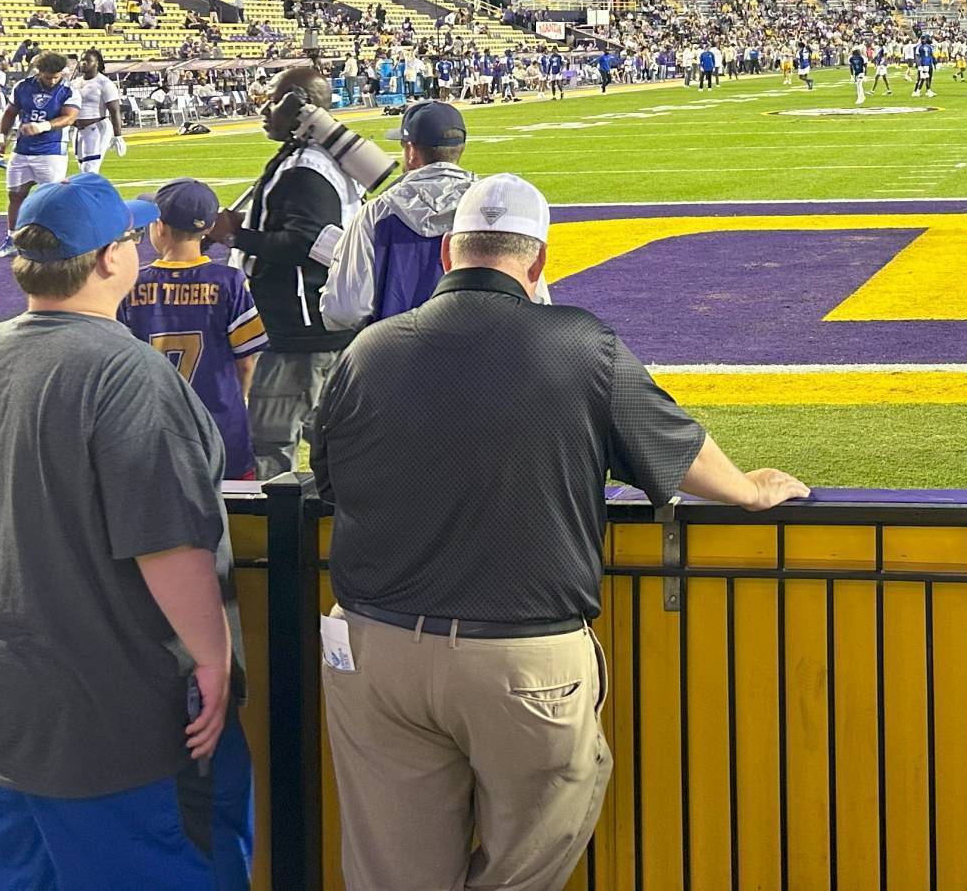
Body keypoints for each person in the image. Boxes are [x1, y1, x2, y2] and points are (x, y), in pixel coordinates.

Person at [310, 173, 809, 891]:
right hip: (520, 653)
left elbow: (332, 480)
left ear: (449, 253)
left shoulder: (371, 350)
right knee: (531, 854)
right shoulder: (580, 344)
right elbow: (674, 449)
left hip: (376, 644)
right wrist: (748, 491)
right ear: (538, 262)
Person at [0, 174, 252, 888]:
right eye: (128, 238)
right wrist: (215, 661)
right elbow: (169, 544)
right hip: (108, 711)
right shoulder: (126, 371)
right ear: (107, 259)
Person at [216, 65, 365, 477]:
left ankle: (280, 540)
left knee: (272, 447)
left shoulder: (305, 169)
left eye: (276, 98)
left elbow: (305, 243)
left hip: (298, 330)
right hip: (319, 321)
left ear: (300, 106)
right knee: (331, 447)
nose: (265, 107)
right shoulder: (315, 160)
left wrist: (237, 237)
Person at [124, 178, 267, 478]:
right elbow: (246, 363)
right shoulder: (230, 282)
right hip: (221, 426)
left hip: (154, 429)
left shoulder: (131, 285)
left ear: (159, 226)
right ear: (209, 228)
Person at [323, 101, 477, 331]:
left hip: (396, 354)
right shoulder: (489, 206)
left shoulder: (376, 213)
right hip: (479, 352)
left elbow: (346, 311)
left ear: (412, 151)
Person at [0, 51, 82, 258]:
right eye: (48, 76)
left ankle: (57, 239)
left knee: (52, 198)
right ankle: (12, 238)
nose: (52, 81)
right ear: (39, 72)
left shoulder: (68, 90)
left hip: (51, 151)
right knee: (15, 195)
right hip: (22, 150)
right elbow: (10, 112)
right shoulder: (23, 86)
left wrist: (44, 126)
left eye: (56, 76)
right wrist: (2, 137)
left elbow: (69, 117)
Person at [71, 47, 126, 177]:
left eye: (88, 60)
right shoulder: (74, 83)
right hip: (78, 130)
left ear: (97, 63)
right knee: (82, 167)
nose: (84, 63)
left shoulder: (104, 83)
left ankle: (93, 195)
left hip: (97, 127)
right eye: (82, 60)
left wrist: (118, 135)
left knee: (90, 168)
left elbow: (114, 110)